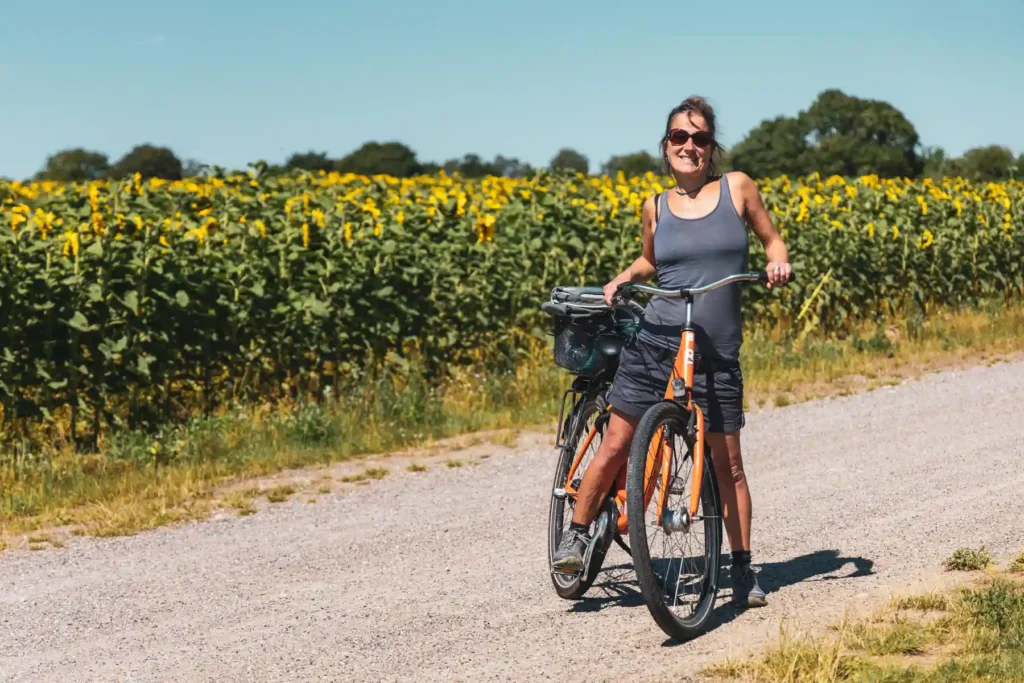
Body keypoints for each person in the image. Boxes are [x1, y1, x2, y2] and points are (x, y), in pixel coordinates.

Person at [551, 96, 792, 608]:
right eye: (679, 137)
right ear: (666, 147)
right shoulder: (655, 206)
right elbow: (648, 260)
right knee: (617, 443)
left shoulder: (738, 188)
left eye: (699, 138)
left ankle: (744, 571)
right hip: (658, 340)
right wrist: (625, 276)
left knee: (729, 468)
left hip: (716, 353)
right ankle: (575, 534)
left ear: (712, 148)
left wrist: (777, 264)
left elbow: (773, 241)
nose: (689, 146)